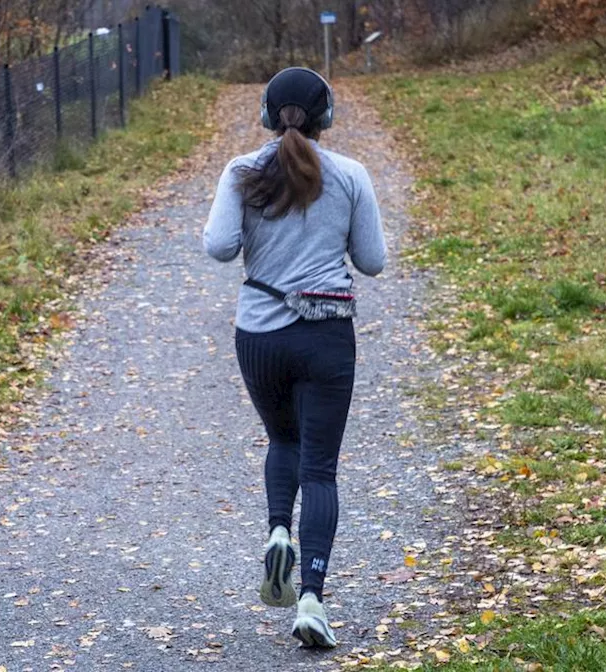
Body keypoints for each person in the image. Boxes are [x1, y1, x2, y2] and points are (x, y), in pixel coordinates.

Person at [202, 67, 386, 649]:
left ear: (265, 113)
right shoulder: (351, 175)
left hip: (259, 336)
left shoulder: (242, 172)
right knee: (321, 469)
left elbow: (219, 247)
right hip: (326, 336)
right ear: (327, 116)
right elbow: (373, 260)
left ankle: (278, 531)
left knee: (283, 442)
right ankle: (311, 597)